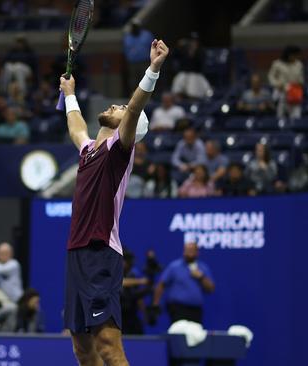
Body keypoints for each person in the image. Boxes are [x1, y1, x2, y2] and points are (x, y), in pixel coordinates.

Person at [58, 39, 168, 366]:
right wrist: (70, 95)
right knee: (81, 347)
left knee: (107, 345)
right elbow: (76, 127)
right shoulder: (89, 149)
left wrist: (154, 68)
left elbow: (134, 108)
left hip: (100, 251)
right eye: (118, 106)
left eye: (119, 109)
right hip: (77, 252)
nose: (116, 107)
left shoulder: (121, 151)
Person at [152, 242, 215, 324]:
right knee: (179, 333)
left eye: (192, 250)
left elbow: (211, 289)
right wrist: (156, 303)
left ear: (197, 252)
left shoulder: (203, 268)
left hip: (195, 310)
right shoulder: (174, 267)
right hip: (178, 309)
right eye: (187, 250)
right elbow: (161, 284)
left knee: (195, 334)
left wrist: (201, 277)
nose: (189, 253)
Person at [171, 34, 211, 100]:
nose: (193, 43)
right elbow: (174, 55)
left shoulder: (201, 51)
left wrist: (194, 52)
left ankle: (193, 100)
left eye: (195, 41)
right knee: (177, 85)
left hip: (195, 74)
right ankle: (180, 101)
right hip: (184, 73)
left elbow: (201, 64)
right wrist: (178, 46)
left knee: (193, 90)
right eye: (191, 41)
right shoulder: (184, 50)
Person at [268, 45, 304, 118]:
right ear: (289, 55)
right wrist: (277, 84)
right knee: (280, 115)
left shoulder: (299, 64)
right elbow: (271, 76)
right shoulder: (277, 64)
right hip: (282, 92)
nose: (296, 57)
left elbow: (301, 79)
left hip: (294, 93)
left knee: (296, 116)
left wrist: (299, 84)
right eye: (294, 55)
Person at [123, 20, 154, 95]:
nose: (135, 28)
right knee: (133, 80)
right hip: (132, 63)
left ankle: (147, 96)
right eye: (134, 27)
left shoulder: (147, 35)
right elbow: (125, 50)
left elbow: (153, 47)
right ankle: (133, 96)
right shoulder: (127, 37)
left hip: (144, 61)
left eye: (136, 26)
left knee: (146, 79)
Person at [120, 250, 148, 335]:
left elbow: (138, 297)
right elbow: (119, 282)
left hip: (131, 312)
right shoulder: (112, 272)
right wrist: (140, 281)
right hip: (117, 313)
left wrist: (144, 312)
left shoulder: (133, 273)